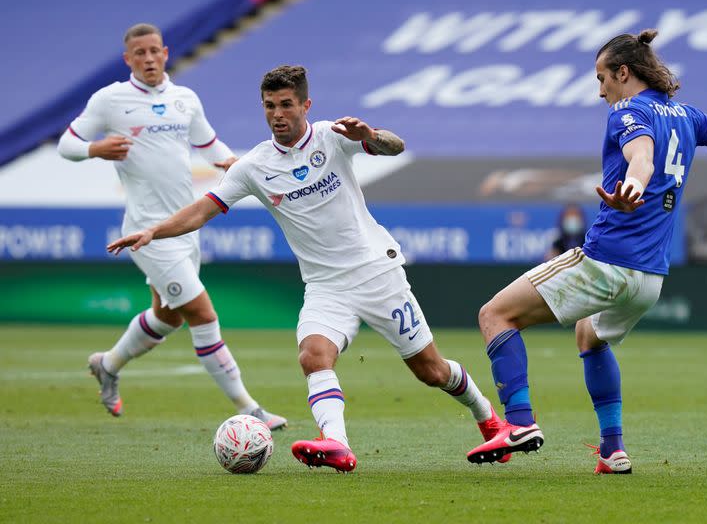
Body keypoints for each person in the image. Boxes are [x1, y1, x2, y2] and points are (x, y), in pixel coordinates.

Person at [107, 65, 503, 473]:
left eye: (286, 105)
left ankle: (489, 419)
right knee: (314, 356)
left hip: (376, 274)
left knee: (431, 370)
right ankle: (336, 443)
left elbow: (395, 147)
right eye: (269, 106)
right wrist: (154, 231)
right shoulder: (254, 166)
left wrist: (369, 137)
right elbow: (201, 211)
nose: (277, 114)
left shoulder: (334, 137)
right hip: (325, 286)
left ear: (305, 105)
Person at [466, 30, 707, 473]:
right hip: (649, 280)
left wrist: (633, 186)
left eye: (602, 78)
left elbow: (642, 158)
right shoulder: (686, 115)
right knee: (589, 337)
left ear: (623, 72)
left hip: (606, 262)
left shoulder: (628, 112)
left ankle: (518, 423)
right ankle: (613, 451)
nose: (600, 91)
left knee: (494, 315)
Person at [57, 23, 286, 430]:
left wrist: (244, 166)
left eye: (153, 52)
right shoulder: (111, 100)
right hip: (148, 232)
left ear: (165, 53)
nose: (147, 59)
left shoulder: (185, 99)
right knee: (201, 313)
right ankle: (250, 410)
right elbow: (67, 143)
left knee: (168, 317)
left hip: (184, 228)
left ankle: (107, 365)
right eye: (138, 54)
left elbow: (211, 146)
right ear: (128, 59)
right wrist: (95, 148)